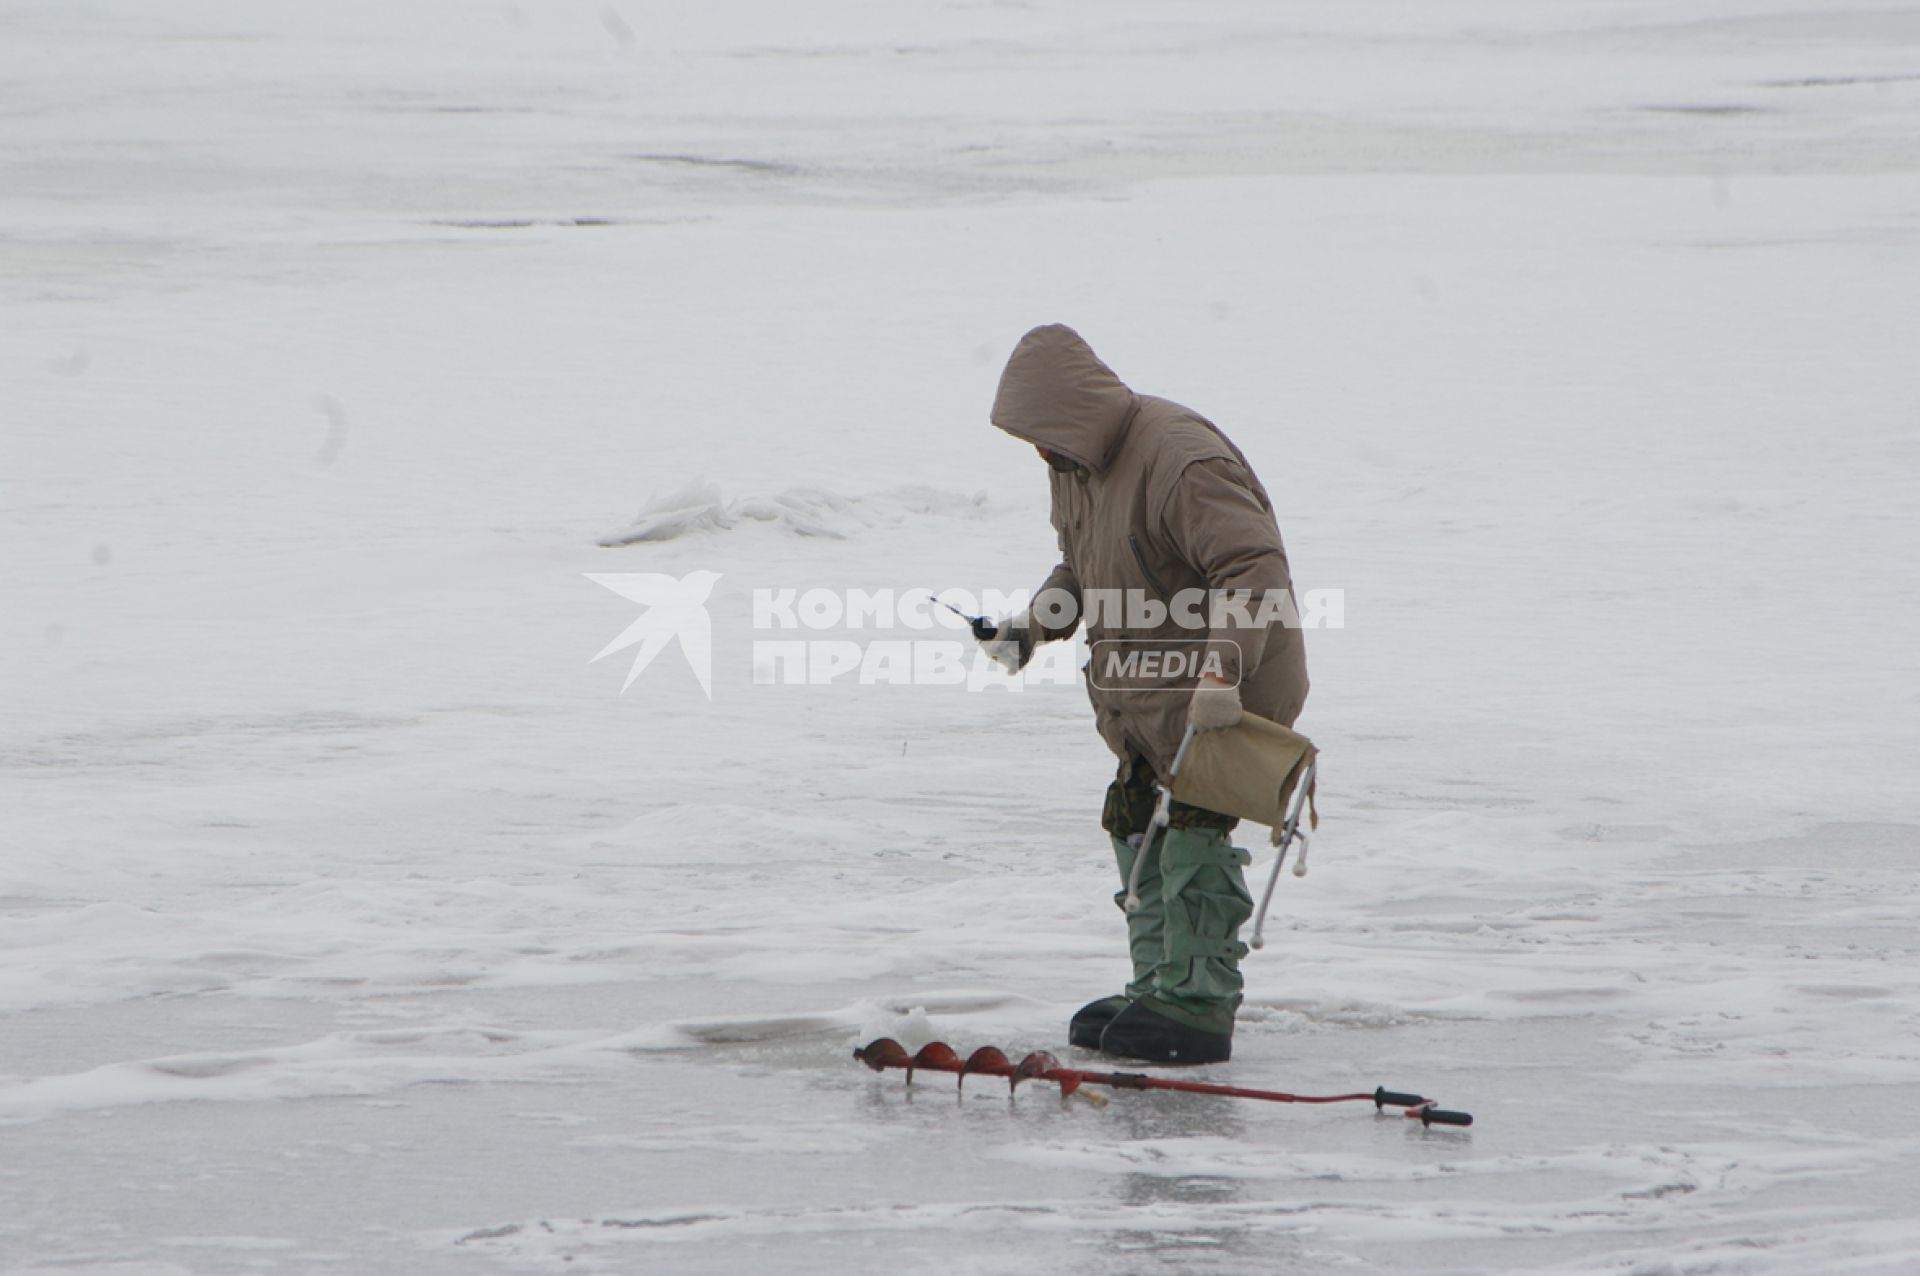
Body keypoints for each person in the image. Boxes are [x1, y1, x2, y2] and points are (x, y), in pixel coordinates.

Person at [976, 323, 1309, 1065]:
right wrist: (1034, 625)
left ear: (1073, 413)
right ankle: (1156, 984)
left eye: (1042, 432)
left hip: (1224, 685)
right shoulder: (1078, 463)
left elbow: (1255, 570)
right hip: (1146, 691)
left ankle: (1197, 1005)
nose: (1036, 451)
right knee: (1135, 820)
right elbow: (1084, 564)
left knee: (1193, 828)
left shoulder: (1180, 460)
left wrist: (1223, 672)